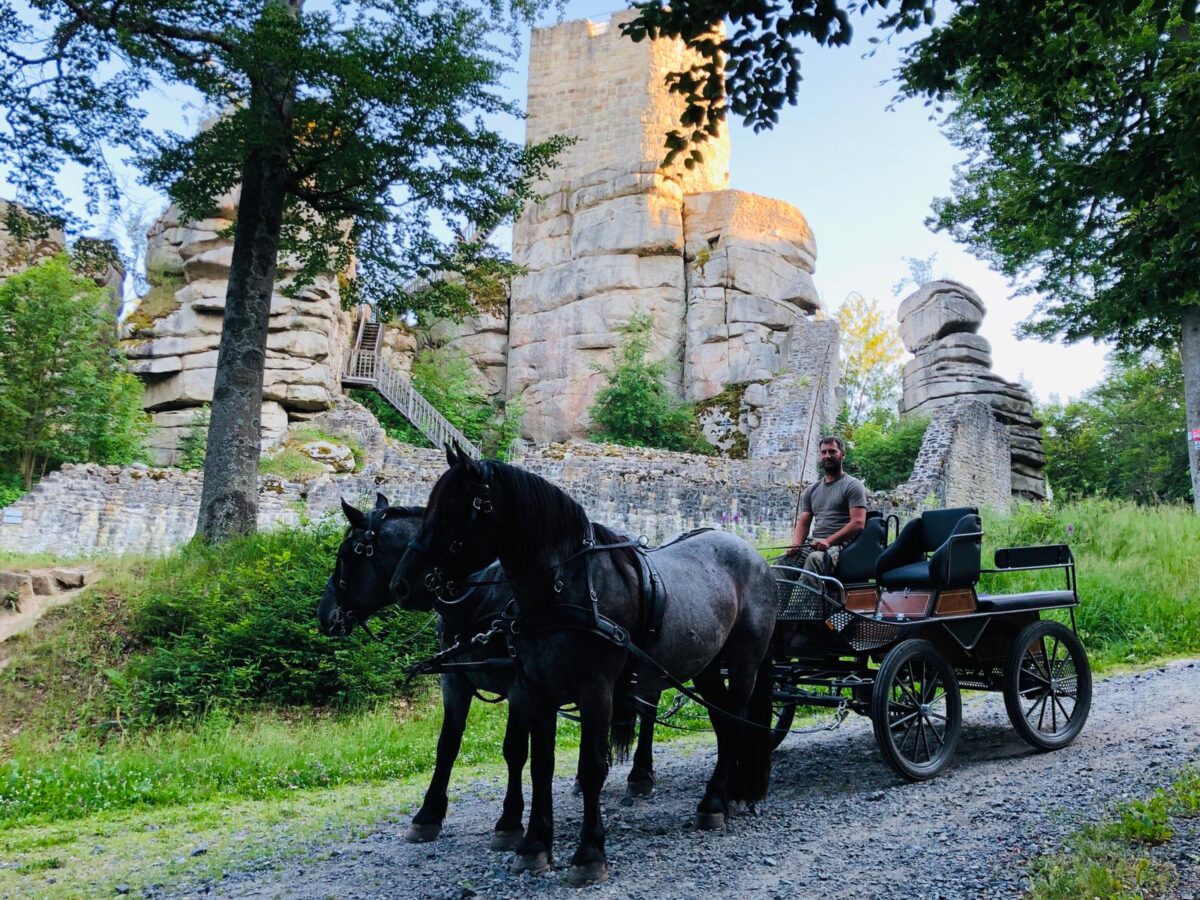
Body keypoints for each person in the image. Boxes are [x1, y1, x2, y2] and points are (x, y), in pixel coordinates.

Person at [786, 435, 868, 576]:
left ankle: (805, 598)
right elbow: (803, 523)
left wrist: (828, 541)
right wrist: (796, 543)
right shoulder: (811, 490)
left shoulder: (853, 485)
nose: (827, 456)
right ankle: (777, 598)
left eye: (832, 451)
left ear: (842, 454)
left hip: (841, 546)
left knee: (814, 559)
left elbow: (858, 523)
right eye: (823, 452)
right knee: (785, 562)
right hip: (815, 544)